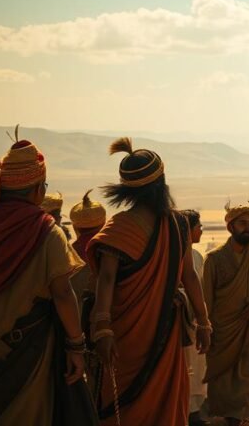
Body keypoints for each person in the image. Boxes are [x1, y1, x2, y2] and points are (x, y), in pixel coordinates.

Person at [88, 137, 211, 426]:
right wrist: (204, 322)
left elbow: (105, 279)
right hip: (155, 333)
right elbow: (189, 276)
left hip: (125, 335)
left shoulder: (119, 228)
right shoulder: (178, 225)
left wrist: (102, 328)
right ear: (162, 184)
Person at [0, 132, 96, 425]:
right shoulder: (46, 231)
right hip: (26, 347)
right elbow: (62, 293)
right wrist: (76, 346)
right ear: (38, 189)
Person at [202, 201, 249, 425]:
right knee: (223, 379)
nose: (248, 228)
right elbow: (206, 298)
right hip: (222, 331)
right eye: (243, 223)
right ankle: (226, 417)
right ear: (230, 227)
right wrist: (205, 327)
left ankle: (244, 417)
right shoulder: (214, 259)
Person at [178, 210, 209, 426]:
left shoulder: (197, 256)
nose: (202, 230)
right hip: (181, 322)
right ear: (187, 230)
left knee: (197, 368)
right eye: (199, 227)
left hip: (196, 321)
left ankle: (195, 412)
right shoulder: (174, 254)